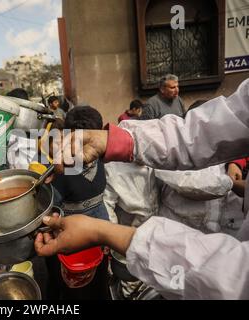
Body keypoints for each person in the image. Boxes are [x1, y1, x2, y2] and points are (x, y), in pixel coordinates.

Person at [36, 78, 249, 299]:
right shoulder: (108, 168)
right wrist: (118, 141)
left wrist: (104, 232)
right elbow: (198, 132)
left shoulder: (150, 170)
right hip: (126, 241)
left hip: (144, 239)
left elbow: (227, 278)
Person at [53, 106, 109, 220]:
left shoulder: (104, 157)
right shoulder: (58, 170)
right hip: (72, 228)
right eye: (78, 142)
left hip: (102, 221)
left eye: (87, 142)